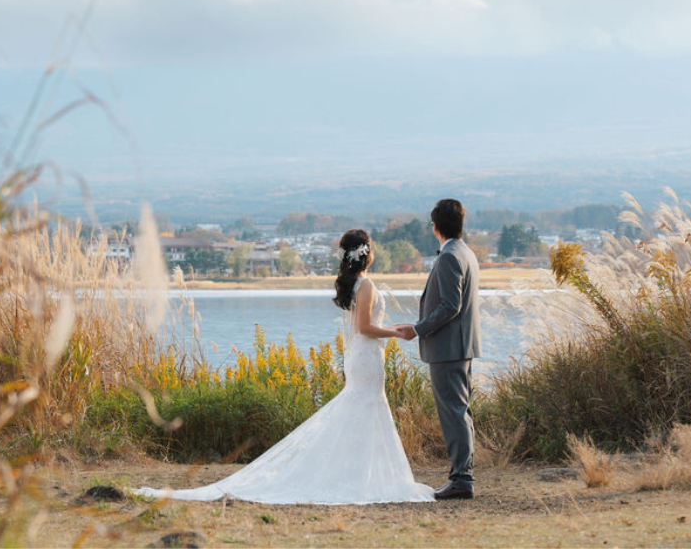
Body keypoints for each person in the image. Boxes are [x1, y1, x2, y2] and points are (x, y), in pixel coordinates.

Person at [134, 229, 433, 505]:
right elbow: (366, 327)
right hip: (366, 356)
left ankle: (357, 473)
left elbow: (361, 326)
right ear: (366, 252)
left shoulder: (353, 285)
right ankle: (360, 477)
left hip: (359, 355)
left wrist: (389, 328)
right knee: (365, 409)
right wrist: (396, 333)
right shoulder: (365, 284)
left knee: (360, 410)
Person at [394, 198, 481, 500]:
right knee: (461, 411)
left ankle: (461, 479)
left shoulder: (448, 258)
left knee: (454, 413)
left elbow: (450, 306)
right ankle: (463, 476)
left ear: (435, 227)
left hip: (448, 348)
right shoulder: (466, 252)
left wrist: (417, 329)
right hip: (461, 345)